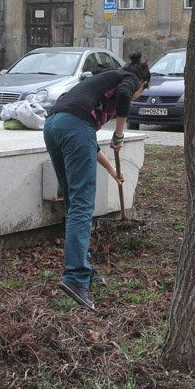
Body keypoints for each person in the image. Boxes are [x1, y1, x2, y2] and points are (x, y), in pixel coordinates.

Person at [44, 53, 150, 311]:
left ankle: (83, 268)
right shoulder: (129, 79)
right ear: (142, 84)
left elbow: (85, 138)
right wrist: (119, 134)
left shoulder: (103, 80)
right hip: (74, 128)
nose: (138, 93)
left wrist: (113, 170)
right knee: (82, 206)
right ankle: (75, 277)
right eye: (142, 91)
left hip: (54, 126)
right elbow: (124, 97)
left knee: (74, 205)